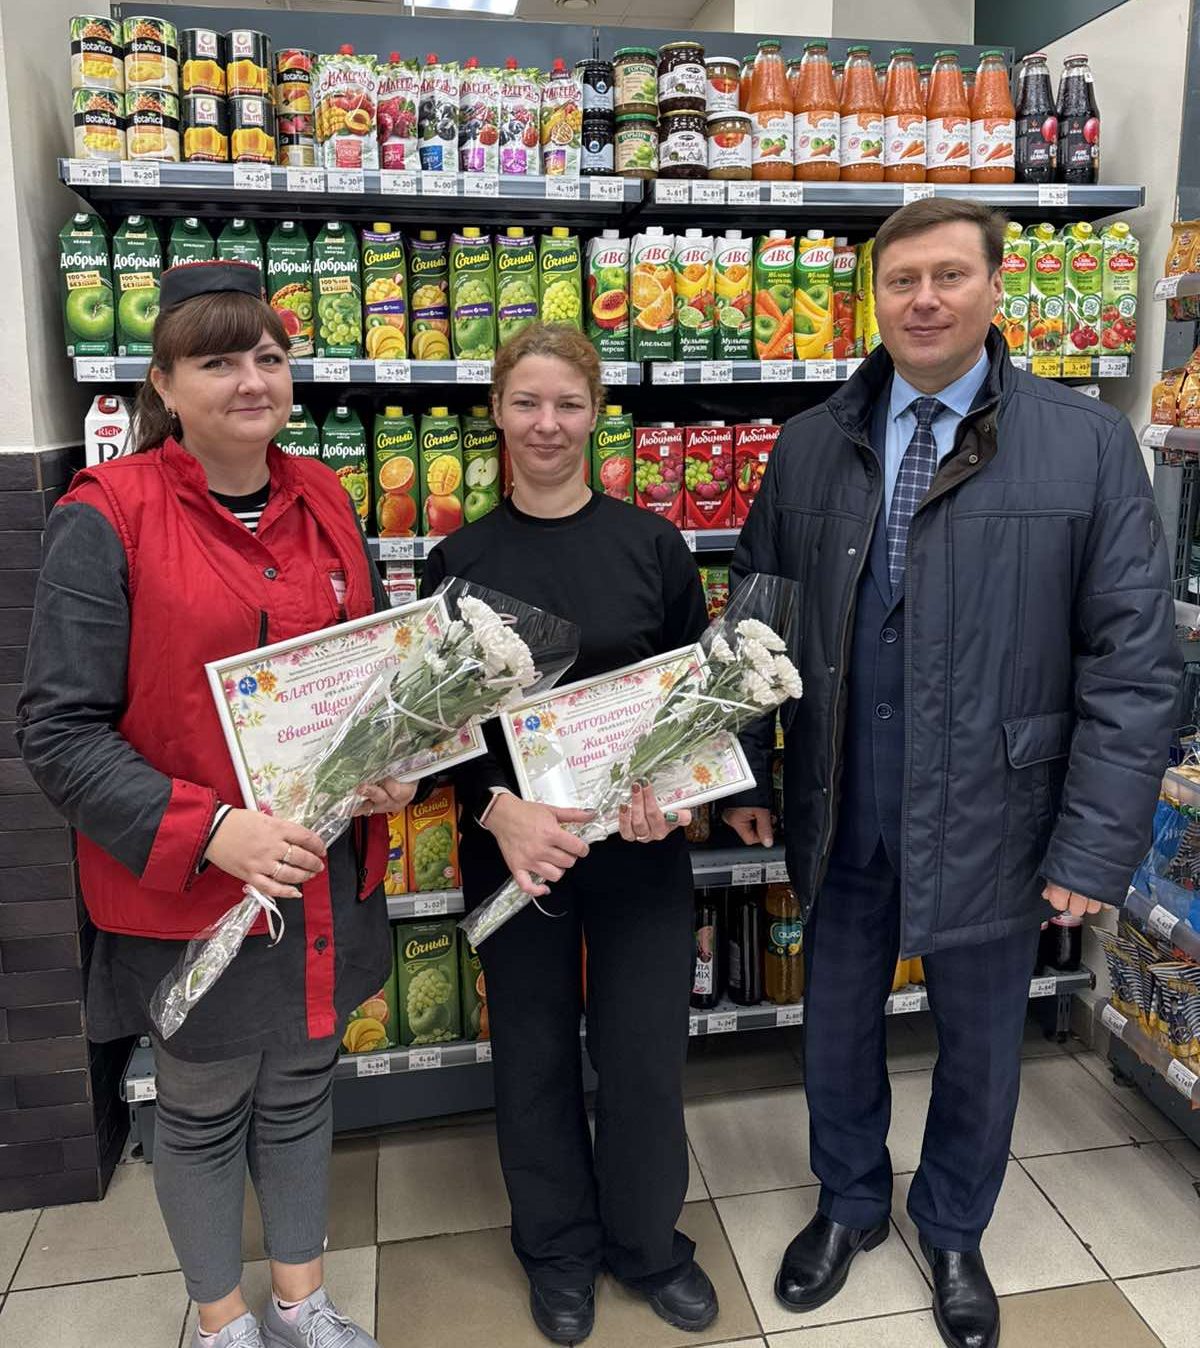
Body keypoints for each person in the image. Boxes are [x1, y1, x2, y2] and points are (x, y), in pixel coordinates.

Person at [723, 199, 1179, 1348]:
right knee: (835, 1027)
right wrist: (743, 775)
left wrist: (1093, 845)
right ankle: (849, 1202)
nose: (923, 300)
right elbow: (754, 620)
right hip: (841, 800)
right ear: (873, 297)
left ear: (993, 289)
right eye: (901, 280)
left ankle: (956, 1227)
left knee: (981, 1043)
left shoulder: (1085, 444)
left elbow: (1133, 663)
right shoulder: (812, 441)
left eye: (948, 276)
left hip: (998, 813)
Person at [17, 261, 414, 1348]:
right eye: (218, 360)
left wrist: (393, 760)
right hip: (190, 892)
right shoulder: (106, 516)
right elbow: (57, 732)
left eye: (269, 357)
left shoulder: (324, 495)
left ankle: (299, 1302)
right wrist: (213, 831)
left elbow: (365, 674)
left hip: (317, 874)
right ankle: (222, 1321)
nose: (251, 380)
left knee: (301, 1090)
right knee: (197, 1109)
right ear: (163, 384)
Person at [419, 322, 718, 1346]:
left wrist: (675, 789)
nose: (547, 424)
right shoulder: (457, 560)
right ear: (496, 414)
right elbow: (438, 731)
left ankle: (648, 1244)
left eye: (568, 404)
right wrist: (497, 809)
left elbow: (696, 701)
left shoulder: (654, 546)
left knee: (642, 1056)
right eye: (527, 403)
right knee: (534, 1055)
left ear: (597, 415)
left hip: (639, 846)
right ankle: (555, 1251)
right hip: (516, 853)